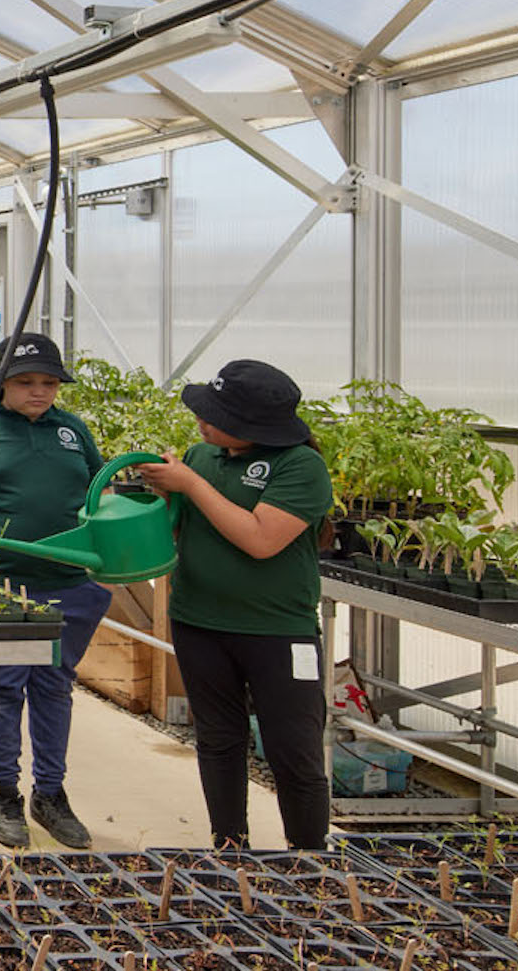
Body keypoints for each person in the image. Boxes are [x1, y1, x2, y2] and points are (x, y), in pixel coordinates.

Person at [134, 359, 333, 850]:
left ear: (253, 426)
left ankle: (309, 858)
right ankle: (229, 847)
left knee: (294, 750)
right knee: (219, 741)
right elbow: (182, 531)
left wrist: (191, 487)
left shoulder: (300, 466)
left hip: (277, 631)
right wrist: (164, 497)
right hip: (200, 623)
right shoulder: (202, 456)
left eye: (214, 413)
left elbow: (262, 540)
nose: (201, 421)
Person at [0, 331, 110, 850]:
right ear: (2, 384)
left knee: (55, 686)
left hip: (68, 583)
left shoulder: (72, 431)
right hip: (0, 583)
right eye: (26, 382)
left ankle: (50, 794)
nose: (39, 391)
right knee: (3, 687)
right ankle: (4, 791)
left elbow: (99, 496)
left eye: (49, 382)